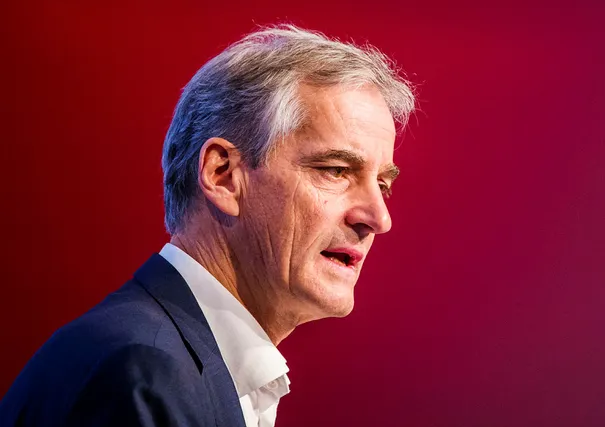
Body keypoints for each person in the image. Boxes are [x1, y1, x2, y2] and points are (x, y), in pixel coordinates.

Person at [0, 25, 416, 427]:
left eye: (383, 185)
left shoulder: (186, 364)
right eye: (336, 170)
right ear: (223, 175)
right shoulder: (142, 373)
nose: (379, 218)